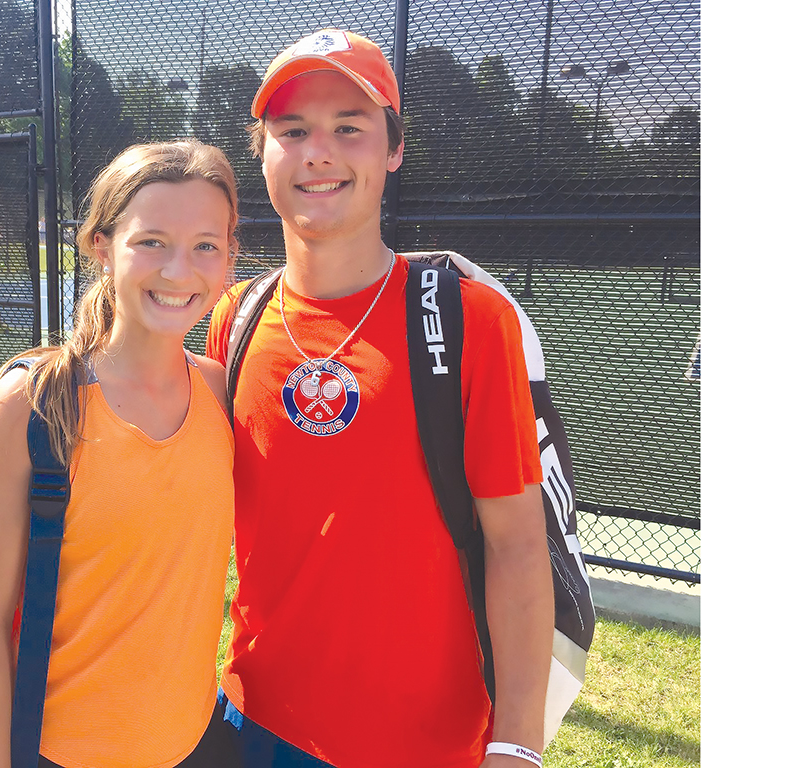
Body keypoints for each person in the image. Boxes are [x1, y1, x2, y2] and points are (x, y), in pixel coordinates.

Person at [205, 29, 554, 768]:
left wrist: (518, 742)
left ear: (393, 150)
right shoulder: (234, 318)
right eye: (292, 130)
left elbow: (518, 546)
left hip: (426, 744)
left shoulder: (470, 320)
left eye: (348, 128)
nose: (317, 153)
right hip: (255, 725)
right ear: (261, 152)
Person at [0, 140, 244, 768]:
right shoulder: (31, 404)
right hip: (57, 754)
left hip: (197, 744)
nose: (179, 271)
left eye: (205, 245)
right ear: (101, 247)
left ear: (229, 258)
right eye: (152, 241)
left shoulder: (222, 393)